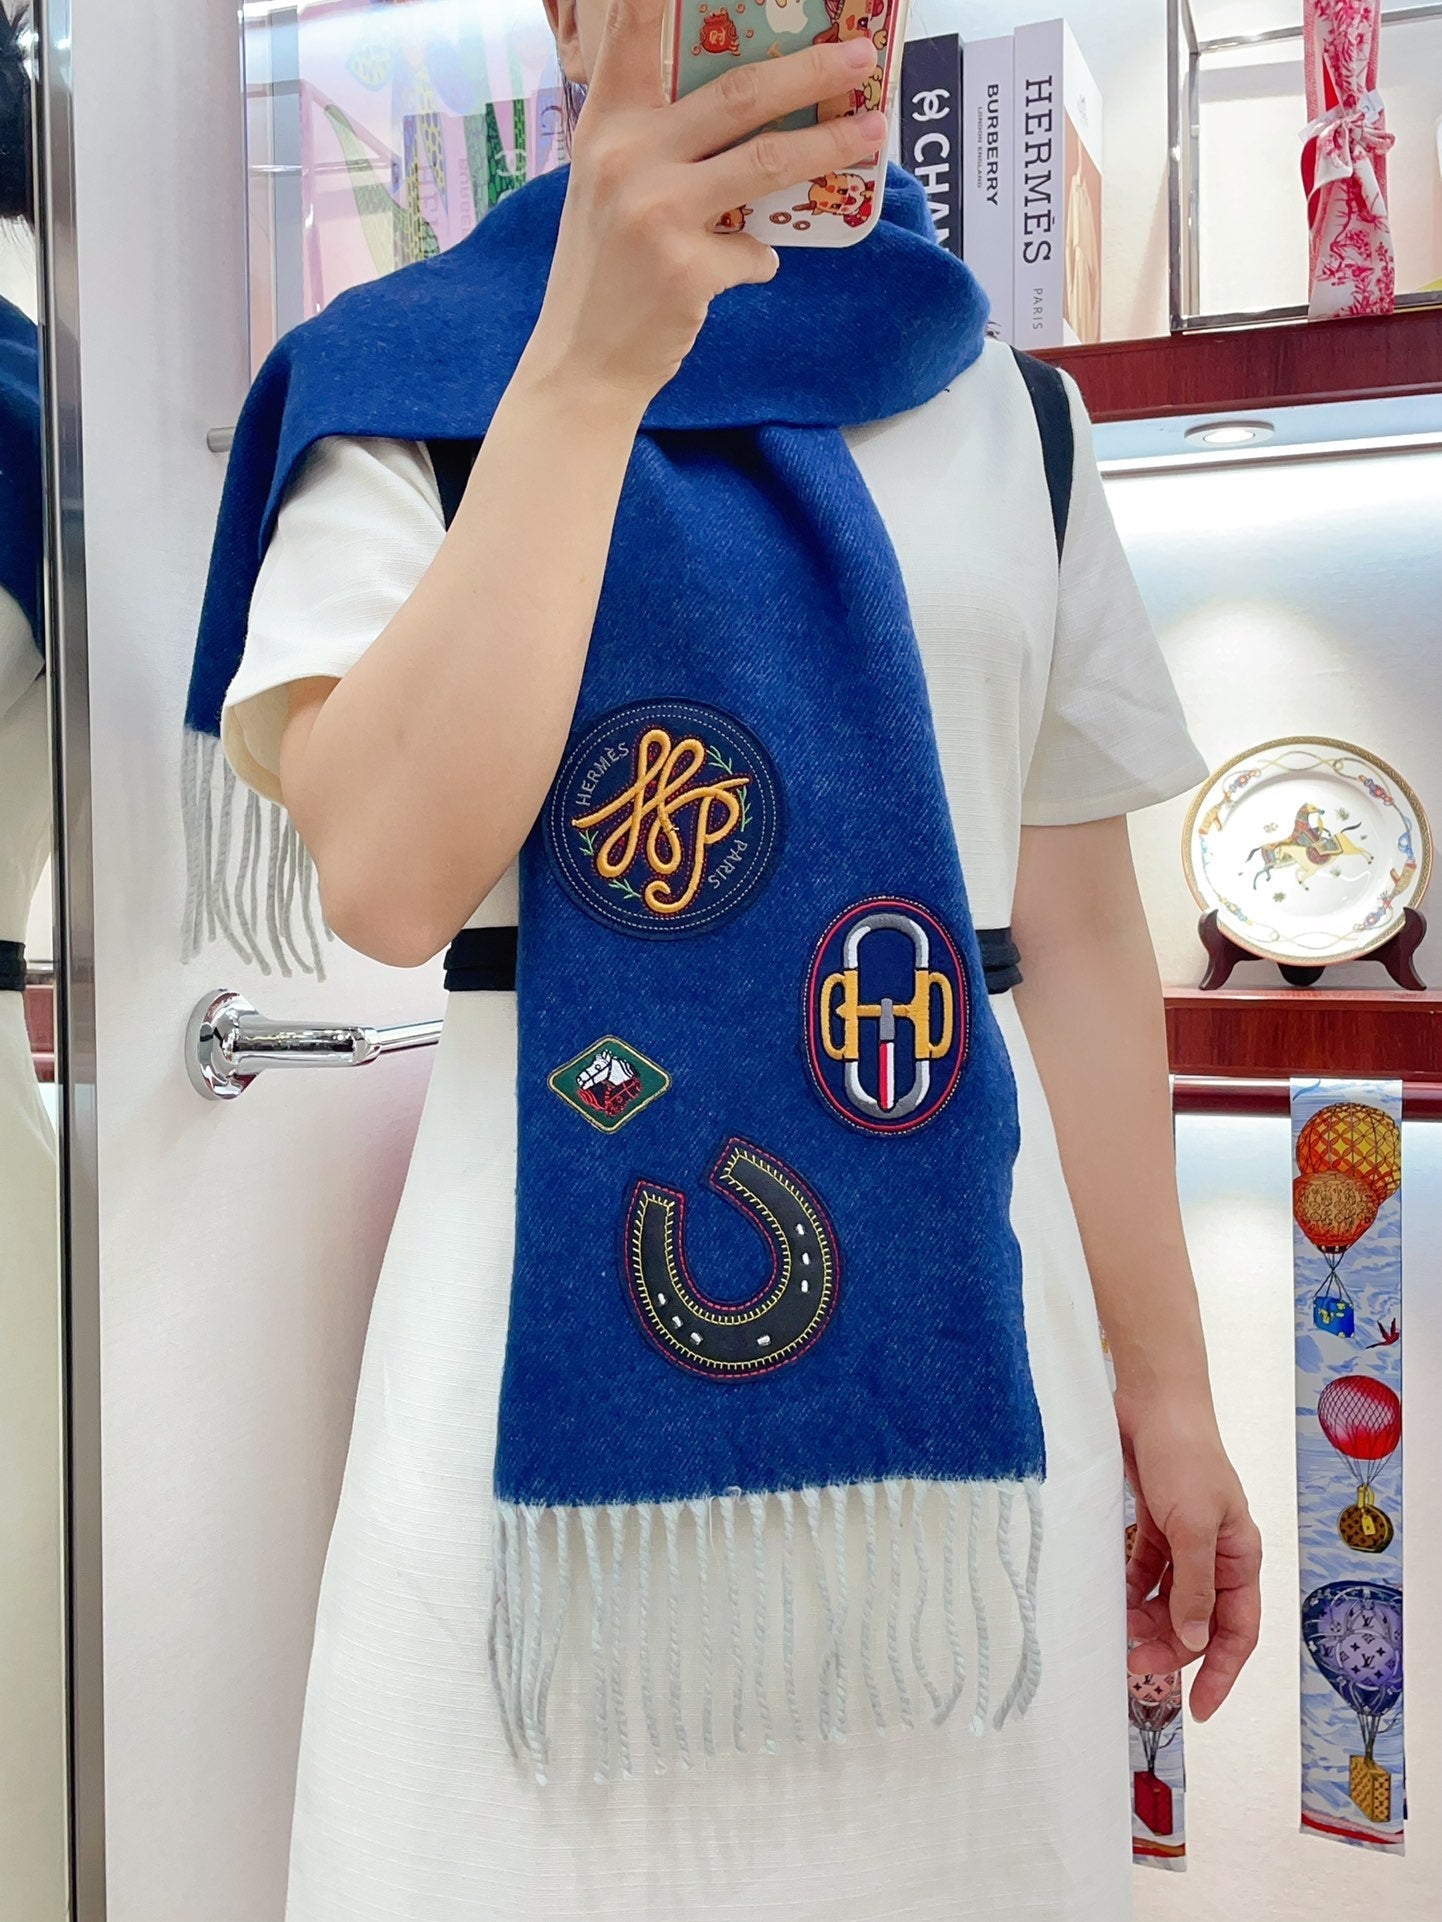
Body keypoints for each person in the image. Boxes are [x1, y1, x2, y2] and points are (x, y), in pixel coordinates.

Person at [208, 3, 1262, 1916]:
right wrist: (586, 366)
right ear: (571, 19)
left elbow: (1076, 930)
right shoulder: (404, 380)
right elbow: (385, 879)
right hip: (533, 1403)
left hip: (961, 1398)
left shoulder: (1006, 409)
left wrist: (1169, 1387)